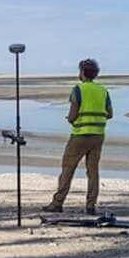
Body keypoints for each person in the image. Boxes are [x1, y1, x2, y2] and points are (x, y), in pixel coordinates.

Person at [43, 58, 111, 214]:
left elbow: (73, 113)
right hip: (98, 136)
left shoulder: (78, 89)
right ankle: (90, 205)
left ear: (82, 72)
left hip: (80, 135)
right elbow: (110, 113)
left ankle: (57, 203)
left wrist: (71, 119)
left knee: (68, 169)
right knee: (93, 172)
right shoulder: (103, 90)